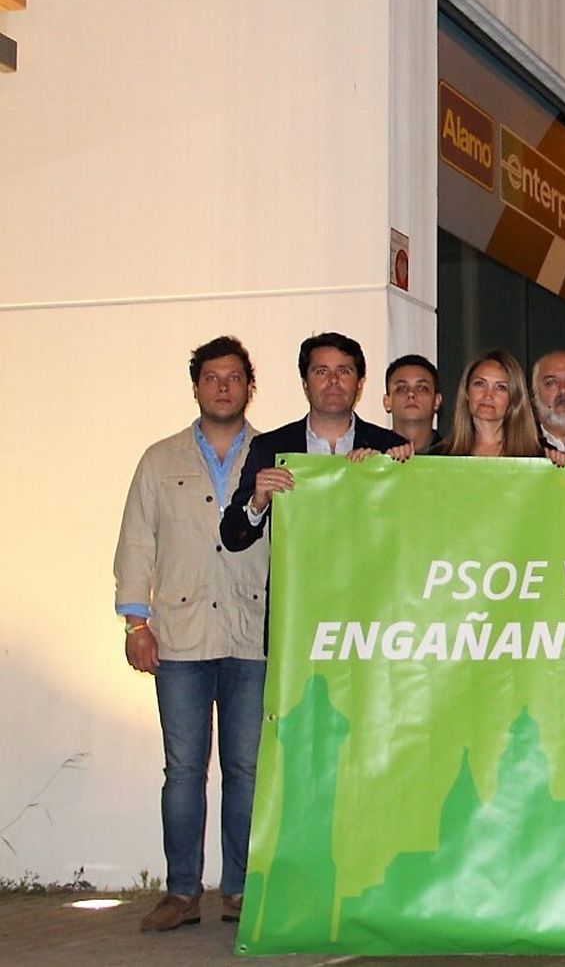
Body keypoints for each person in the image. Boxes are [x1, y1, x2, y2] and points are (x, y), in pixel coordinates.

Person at [114, 336, 265, 932]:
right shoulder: (159, 459)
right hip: (179, 636)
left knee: (247, 769)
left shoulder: (273, 455)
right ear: (196, 387)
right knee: (182, 770)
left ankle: (241, 889)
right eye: (212, 378)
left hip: (252, 636)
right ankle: (180, 892)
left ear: (250, 386)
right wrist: (136, 622)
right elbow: (136, 540)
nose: (223, 387)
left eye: (234, 377)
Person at [220, 332, 411, 558]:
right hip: (296, 579)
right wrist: (257, 504)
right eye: (321, 371)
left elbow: (411, 531)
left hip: (371, 577)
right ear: (305, 384)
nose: (333, 380)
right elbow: (232, 537)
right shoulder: (270, 447)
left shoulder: (389, 447)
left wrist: (386, 473)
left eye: (344, 371)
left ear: (360, 384)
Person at [442, 348, 547, 458]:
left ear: (514, 398)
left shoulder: (538, 457)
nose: (488, 395)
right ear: (466, 392)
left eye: (500, 387)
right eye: (479, 384)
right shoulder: (440, 455)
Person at [383, 354, 443, 453]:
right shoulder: (371, 456)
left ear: (436, 401)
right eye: (402, 388)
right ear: (387, 402)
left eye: (422, 388)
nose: (411, 394)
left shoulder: (456, 455)